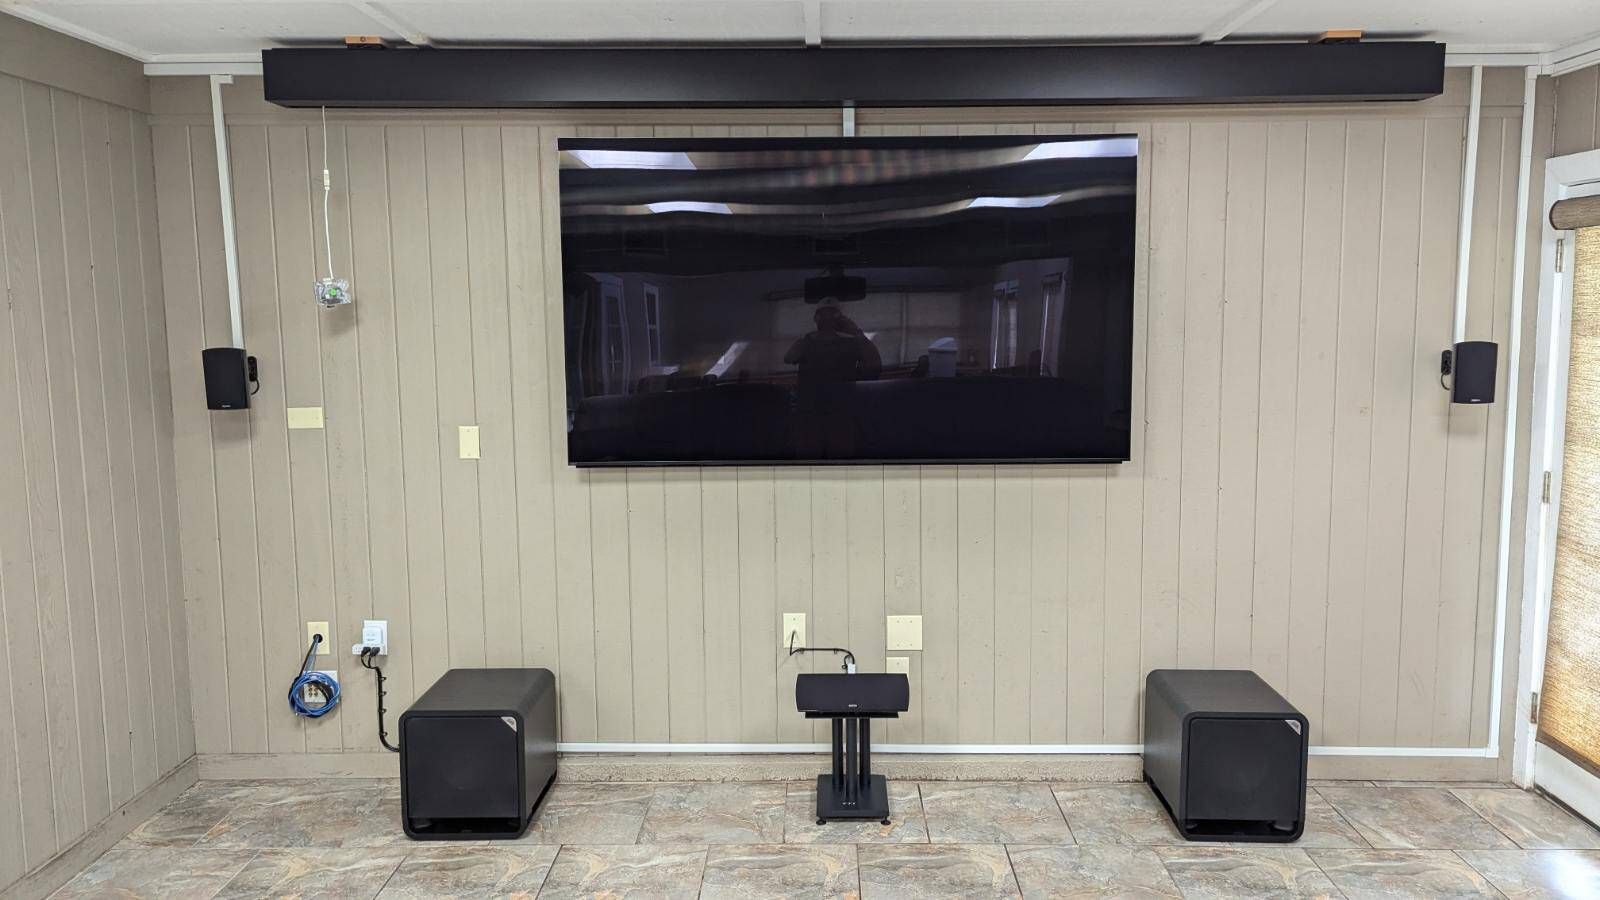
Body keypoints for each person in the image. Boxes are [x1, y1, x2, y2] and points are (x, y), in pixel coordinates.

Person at [783, 305, 882, 385]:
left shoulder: (850, 344)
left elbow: (874, 367)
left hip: (845, 403)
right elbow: (788, 358)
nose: (828, 319)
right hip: (812, 404)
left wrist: (855, 332)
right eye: (824, 315)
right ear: (817, 319)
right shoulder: (805, 343)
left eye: (832, 315)